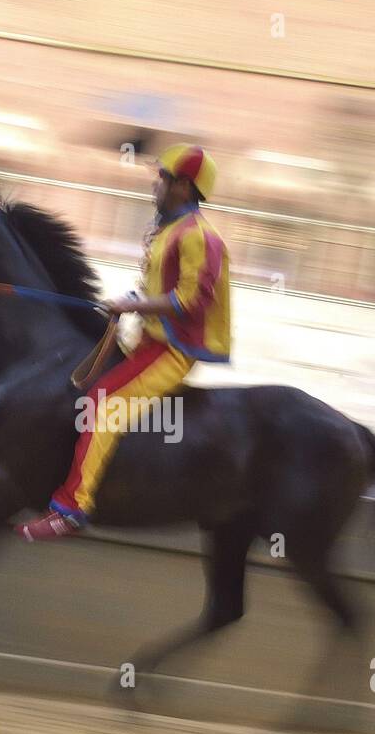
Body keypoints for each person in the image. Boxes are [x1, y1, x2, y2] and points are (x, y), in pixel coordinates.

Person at [17, 144, 231, 541]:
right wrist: (132, 302)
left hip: (172, 351)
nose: (156, 185)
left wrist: (134, 307)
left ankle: (71, 509)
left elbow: (191, 301)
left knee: (103, 403)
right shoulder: (171, 228)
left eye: (163, 178)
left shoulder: (200, 237)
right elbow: (160, 288)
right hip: (147, 340)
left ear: (184, 186)